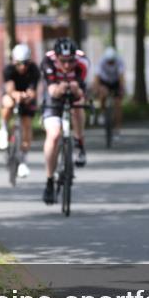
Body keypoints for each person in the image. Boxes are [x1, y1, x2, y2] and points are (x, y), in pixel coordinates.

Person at [40, 38, 90, 204]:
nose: (67, 65)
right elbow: (52, 90)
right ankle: (49, 181)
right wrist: (60, 88)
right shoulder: (48, 62)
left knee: (78, 105)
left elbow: (81, 90)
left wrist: (76, 89)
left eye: (70, 61)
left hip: (74, 94)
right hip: (54, 97)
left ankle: (79, 142)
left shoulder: (82, 62)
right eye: (63, 61)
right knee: (54, 135)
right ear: (57, 57)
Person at [0, 43, 40, 178]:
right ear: (14, 62)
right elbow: (9, 88)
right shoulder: (8, 70)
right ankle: (3, 128)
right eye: (20, 64)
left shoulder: (34, 70)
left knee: (27, 125)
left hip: (26, 98)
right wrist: (16, 95)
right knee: (7, 103)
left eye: (26, 63)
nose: (23, 67)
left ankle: (23, 160)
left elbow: (33, 91)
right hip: (13, 95)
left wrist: (27, 97)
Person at [93, 46, 125, 134]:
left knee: (118, 105)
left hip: (115, 81)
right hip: (105, 81)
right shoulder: (101, 61)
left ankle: (118, 127)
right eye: (109, 62)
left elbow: (121, 76)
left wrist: (122, 89)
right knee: (103, 93)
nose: (110, 63)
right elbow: (97, 77)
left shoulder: (119, 61)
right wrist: (97, 88)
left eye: (112, 62)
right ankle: (103, 112)